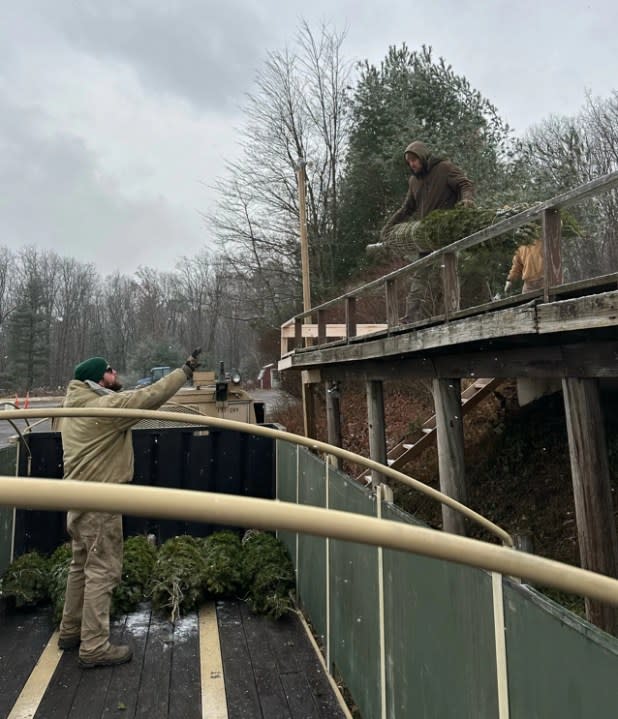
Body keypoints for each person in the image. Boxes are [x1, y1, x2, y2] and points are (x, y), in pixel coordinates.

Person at [57, 350, 200, 669]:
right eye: (109, 371)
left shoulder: (71, 406)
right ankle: (93, 647)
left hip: (76, 500)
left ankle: (70, 631)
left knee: (80, 565)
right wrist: (183, 372)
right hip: (100, 501)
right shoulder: (103, 407)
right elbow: (149, 396)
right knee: (103, 570)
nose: (115, 372)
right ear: (97, 380)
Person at [380, 140, 475, 322]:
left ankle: (452, 311)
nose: (412, 165)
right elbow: (407, 208)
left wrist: (467, 201)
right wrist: (389, 226)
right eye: (409, 162)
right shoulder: (414, 181)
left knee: (448, 270)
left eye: (414, 160)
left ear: (422, 156)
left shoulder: (444, 168)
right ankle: (410, 316)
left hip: (446, 230)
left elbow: (465, 184)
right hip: (426, 234)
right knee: (420, 274)